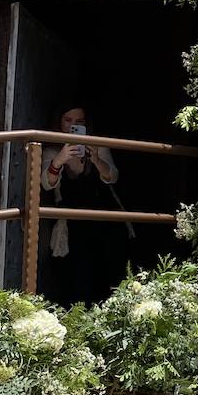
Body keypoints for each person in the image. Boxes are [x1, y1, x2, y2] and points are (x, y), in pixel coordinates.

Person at [41, 104, 125, 305]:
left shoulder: (97, 145)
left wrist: (96, 160)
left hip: (103, 220)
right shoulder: (52, 150)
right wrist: (59, 161)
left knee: (106, 275)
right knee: (74, 278)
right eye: (68, 121)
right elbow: (46, 183)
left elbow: (112, 176)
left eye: (79, 123)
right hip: (71, 225)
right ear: (59, 123)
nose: (73, 126)